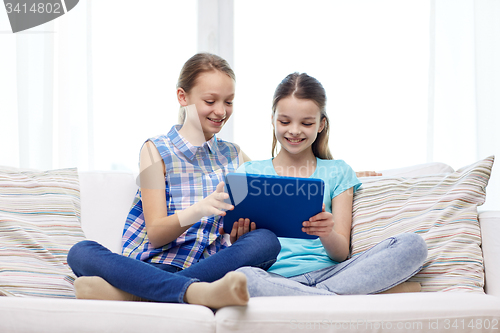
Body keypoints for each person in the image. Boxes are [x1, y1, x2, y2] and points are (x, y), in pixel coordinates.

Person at [67, 53, 281, 309]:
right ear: (183, 97)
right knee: (80, 252)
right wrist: (201, 208)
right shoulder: (155, 150)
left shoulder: (235, 155)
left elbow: (261, 206)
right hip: (154, 264)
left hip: (209, 266)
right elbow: (156, 233)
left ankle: (139, 293)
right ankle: (194, 293)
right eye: (210, 101)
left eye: (229, 102)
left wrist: (242, 230)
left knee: (266, 241)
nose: (221, 111)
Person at [235, 72, 428, 297]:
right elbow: (236, 247)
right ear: (272, 119)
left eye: (306, 123)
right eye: (284, 121)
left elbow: (340, 253)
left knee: (413, 245)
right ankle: (333, 298)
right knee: (244, 278)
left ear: (320, 124)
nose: (294, 130)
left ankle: (317, 296)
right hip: (272, 277)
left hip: (333, 273)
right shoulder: (248, 173)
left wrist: (326, 232)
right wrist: (240, 239)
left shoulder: (338, 172)